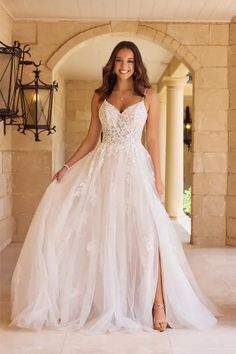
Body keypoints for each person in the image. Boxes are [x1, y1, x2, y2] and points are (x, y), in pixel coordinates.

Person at [10, 41, 220, 334]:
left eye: (130, 61)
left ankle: (158, 303)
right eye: (120, 60)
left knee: (150, 234)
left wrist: (159, 178)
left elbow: (153, 141)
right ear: (112, 63)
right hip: (104, 169)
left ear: (137, 65)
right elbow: (91, 138)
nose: (124, 66)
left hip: (136, 168)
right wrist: (67, 167)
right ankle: (111, 299)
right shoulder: (100, 96)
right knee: (103, 234)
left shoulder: (148, 95)